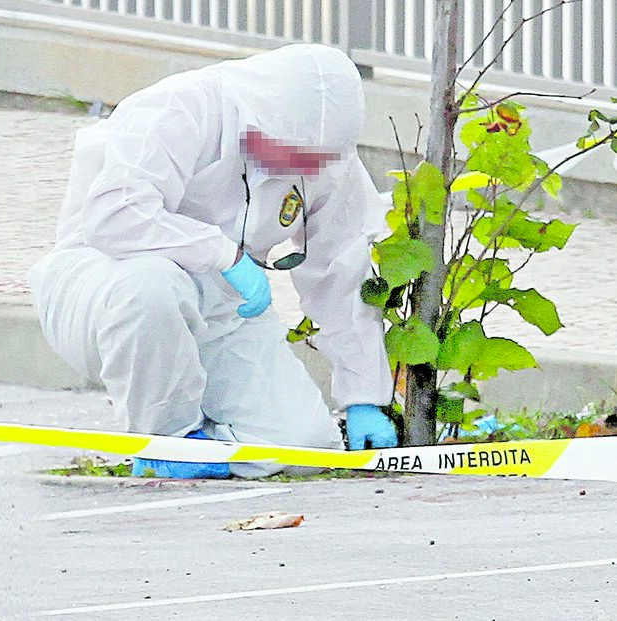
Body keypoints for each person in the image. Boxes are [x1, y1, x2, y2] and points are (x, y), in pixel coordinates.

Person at [27, 44, 398, 479]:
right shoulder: (180, 109)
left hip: (225, 309)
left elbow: (341, 267)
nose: (299, 167)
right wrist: (222, 254)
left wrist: (363, 395)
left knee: (304, 448)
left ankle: (209, 434)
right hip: (104, 289)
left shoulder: (326, 152)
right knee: (153, 285)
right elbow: (114, 217)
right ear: (258, 116)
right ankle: (167, 437)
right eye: (289, 152)